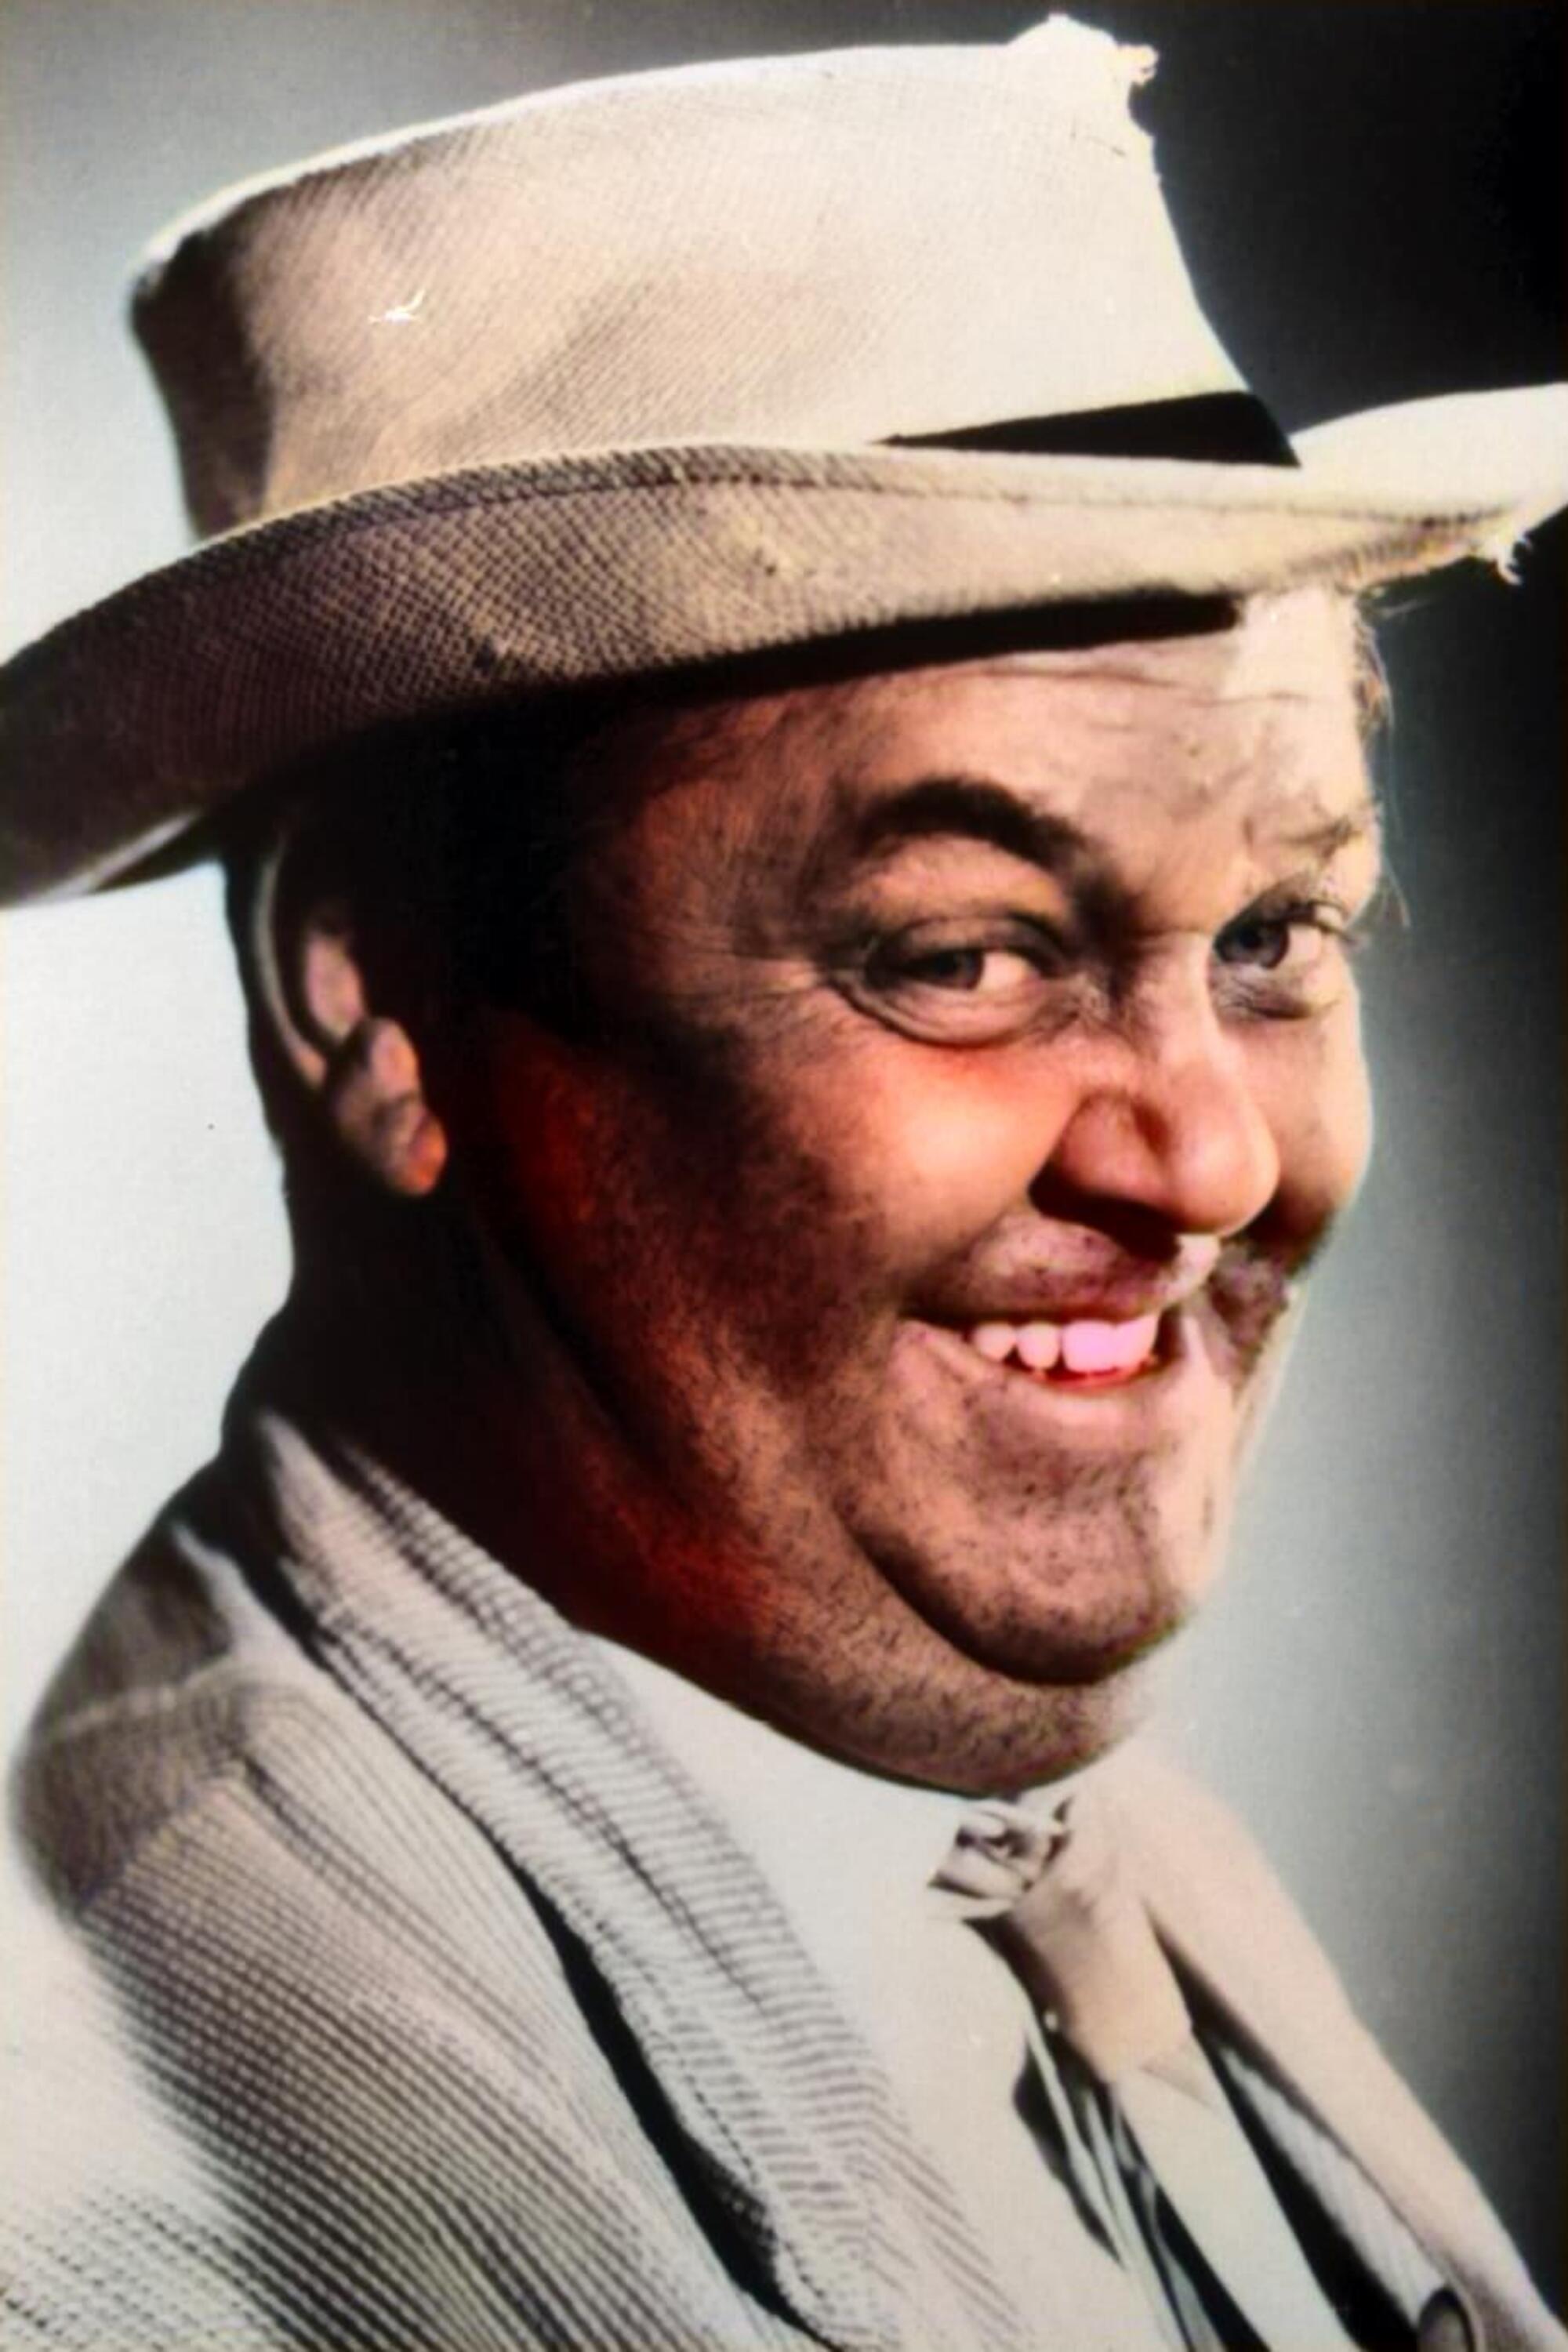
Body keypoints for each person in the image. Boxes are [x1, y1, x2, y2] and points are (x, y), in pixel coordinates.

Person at [2, 16, 1563, 2349]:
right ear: (364, 1000)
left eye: (1274, 935)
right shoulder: (119, 2245)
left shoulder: (999, 1847)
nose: (1213, 1155)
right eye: (965, 956)